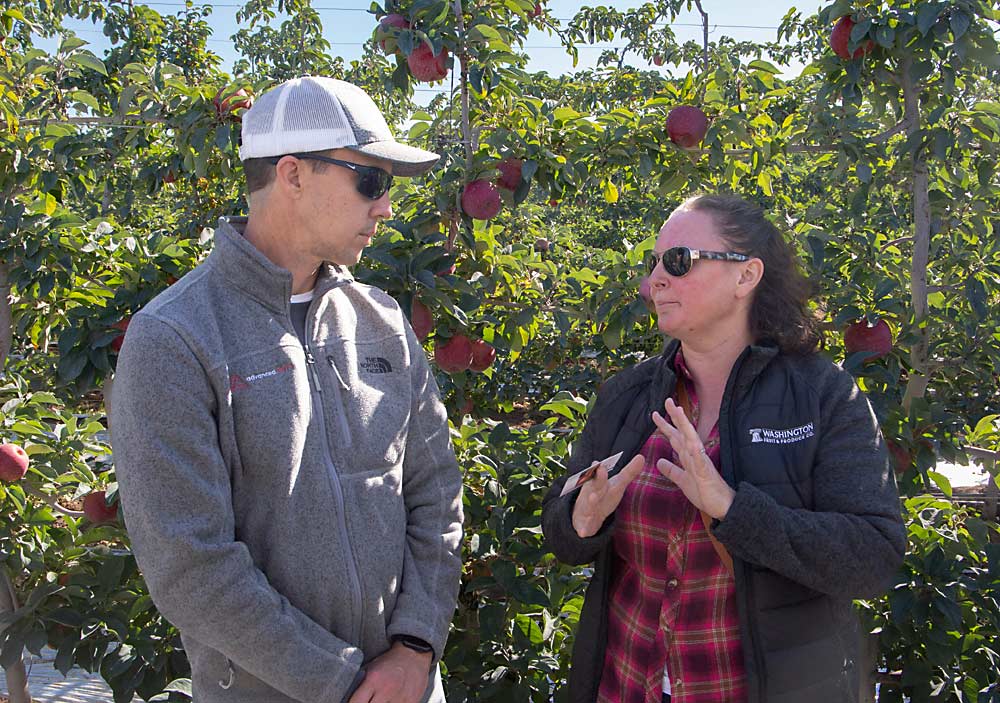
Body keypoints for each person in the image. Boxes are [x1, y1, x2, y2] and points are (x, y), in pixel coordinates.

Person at [110, 76, 464, 703]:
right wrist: (343, 682)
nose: (385, 206)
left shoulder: (382, 323)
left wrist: (415, 647)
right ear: (294, 174)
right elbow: (190, 565)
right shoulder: (175, 338)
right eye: (371, 181)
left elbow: (436, 495)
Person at [541, 194, 906, 703]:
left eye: (679, 261)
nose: (655, 280)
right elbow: (559, 530)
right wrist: (581, 519)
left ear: (745, 276)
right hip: (625, 687)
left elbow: (874, 556)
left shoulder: (823, 397)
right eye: (654, 264)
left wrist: (732, 510)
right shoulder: (627, 397)